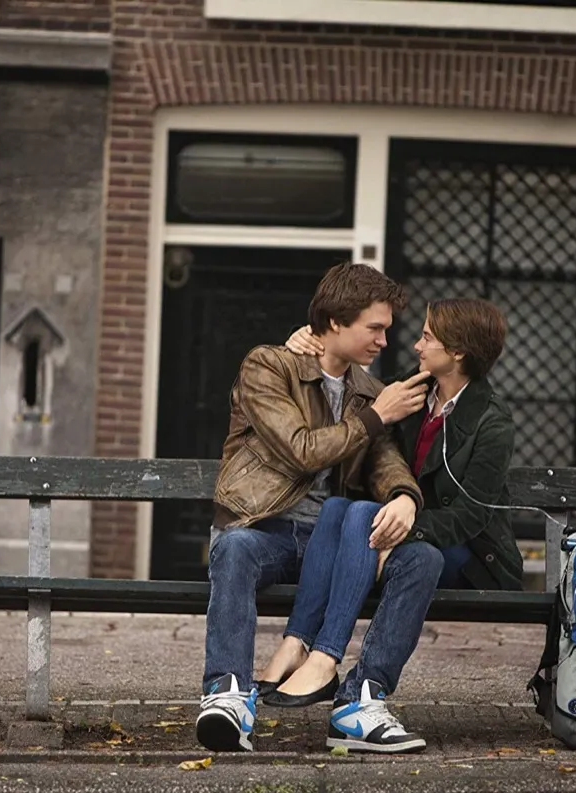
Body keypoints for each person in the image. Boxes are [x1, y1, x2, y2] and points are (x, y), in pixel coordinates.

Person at [255, 297, 522, 754]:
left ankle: (350, 678)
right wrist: (306, 342)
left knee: (416, 552)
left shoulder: (491, 422)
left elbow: (471, 515)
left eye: (427, 337)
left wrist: (406, 527)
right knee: (344, 508)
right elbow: (347, 392)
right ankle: (311, 653)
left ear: (457, 351)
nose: (416, 345)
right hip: (402, 534)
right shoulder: (415, 395)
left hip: (467, 550)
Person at [196, 262, 433, 753]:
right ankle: (229, 695)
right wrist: (375, 416)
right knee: (235, 548)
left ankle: (360, 699)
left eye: (387, 329)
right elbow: (300, 448)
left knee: (420, 561)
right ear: (334, 323)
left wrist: (405, 497)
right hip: (269, 531)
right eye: (374, 328)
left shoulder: (369, 392)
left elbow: (386, 462)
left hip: (335, 541)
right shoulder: (269, 366)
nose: (384, 342)